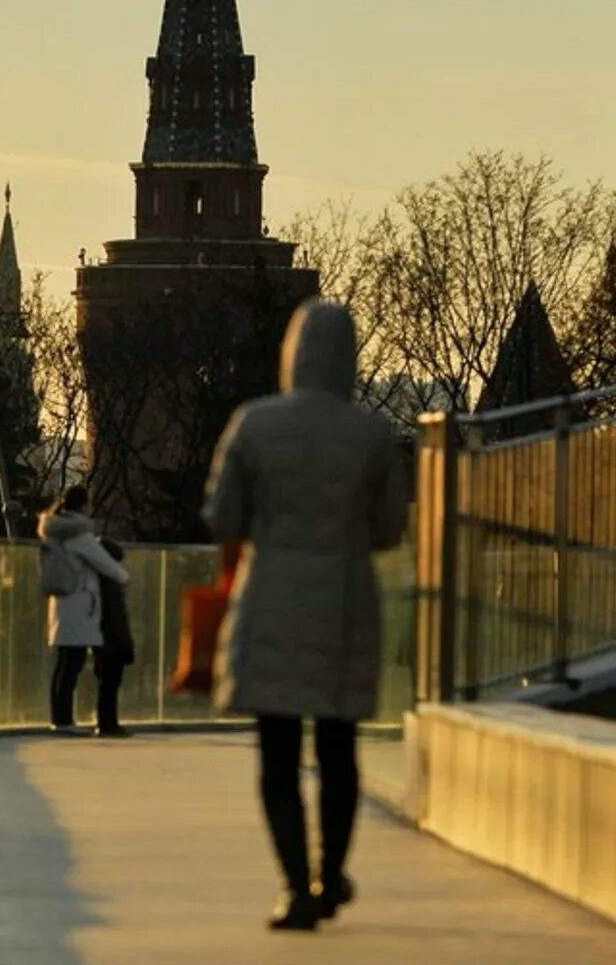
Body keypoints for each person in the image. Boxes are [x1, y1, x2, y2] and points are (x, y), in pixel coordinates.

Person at [201, 299, 407, 932]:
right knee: (339, 748)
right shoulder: (370, 435)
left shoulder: (253, 425)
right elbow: (389, 529)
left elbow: (222, 518)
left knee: (278, 753)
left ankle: (294, 887)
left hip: (270, 600)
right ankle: (331, 870)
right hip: (345, 603)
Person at [39, 484, 129, 733]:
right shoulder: (77, 534)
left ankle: (60, 718)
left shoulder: (53, 531)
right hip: (81, 604)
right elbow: (107, 564)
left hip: (61, 603)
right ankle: (64, 721)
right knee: (73, 664)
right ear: (83, 506)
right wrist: (124, 576)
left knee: (64, 663)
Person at [93, 535, 135, 737]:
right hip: (112, 640)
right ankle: (108, 723)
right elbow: (118, 617)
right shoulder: (112, 584)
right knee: (110, 683)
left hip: (101, 639)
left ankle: (106, 722)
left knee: (106, 683)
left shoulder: (96, 581)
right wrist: (126, 643)